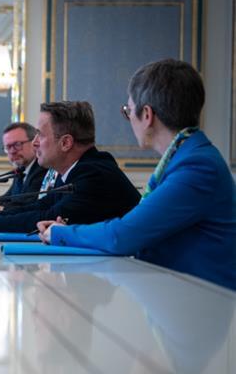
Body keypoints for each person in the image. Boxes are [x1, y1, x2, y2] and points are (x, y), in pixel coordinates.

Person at [38, 59, 236, 290]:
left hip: (201, 300)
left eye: (128, 111)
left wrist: (62, 233)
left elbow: (123, 236)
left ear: (147, 115)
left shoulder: (197, 167)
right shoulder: (187, 156)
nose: (129, 118)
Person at [0, 100, 140, 234]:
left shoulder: (95, 174)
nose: (35, 143)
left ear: (66, 143)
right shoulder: (72, 170)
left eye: (40, 135)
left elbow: (48, 216)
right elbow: (39, 207)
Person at [0, 122, 46, 215]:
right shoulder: (21, 170)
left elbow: (27, 206)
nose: (12, 151)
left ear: (34, 142)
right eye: (8, 147)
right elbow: (8, 198)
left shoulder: (42, 168)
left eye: (17, 145)